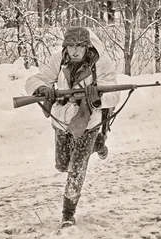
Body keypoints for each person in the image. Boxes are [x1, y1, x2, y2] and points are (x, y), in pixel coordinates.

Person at [25, 27, 120, 228]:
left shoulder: (101, 63)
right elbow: (37, 79)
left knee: (76, 168)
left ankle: (68, 214)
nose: (75, 51)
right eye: (70, 46)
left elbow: (114, 94)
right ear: (65, 47)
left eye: (79, 46)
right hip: (61, 120)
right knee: (62, 165)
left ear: (87, 47)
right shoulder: (58, 60)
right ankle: (98, 146)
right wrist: (41, 88)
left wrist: (97, 100)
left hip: (89, 122)